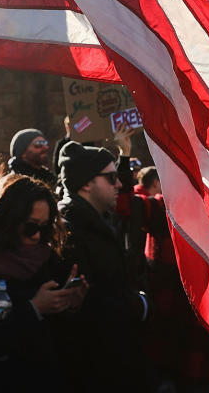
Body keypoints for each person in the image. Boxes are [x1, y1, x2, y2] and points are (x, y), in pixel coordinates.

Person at [0, 174, 85, 390]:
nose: (38, 236)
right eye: (31, 227)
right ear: (7, 220)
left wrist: (67, 303)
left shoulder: (45, 258)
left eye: (45, 227)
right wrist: (34, 308)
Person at [57, 140, 148, 391]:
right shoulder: (71, 233)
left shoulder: (98, 222)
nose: (118, 183)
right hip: (98, 369)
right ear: (87, 183)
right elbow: (90, 305)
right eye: (111, 177)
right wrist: (136, 305)